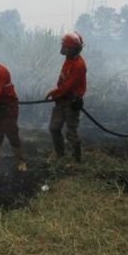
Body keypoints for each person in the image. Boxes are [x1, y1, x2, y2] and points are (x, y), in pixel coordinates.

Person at [46, 32, 87, 162]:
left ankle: (76, 160)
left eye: (65, 47)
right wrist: (57, 94)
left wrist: (53, 93)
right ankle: (60, 155)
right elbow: (63, 80)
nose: (63, 49)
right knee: (54, 128)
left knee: (71, 133)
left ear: (73, 49)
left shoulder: (79, 65)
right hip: (61, 100)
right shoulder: (69, 59)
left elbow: (68, 86)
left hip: (71, 102)